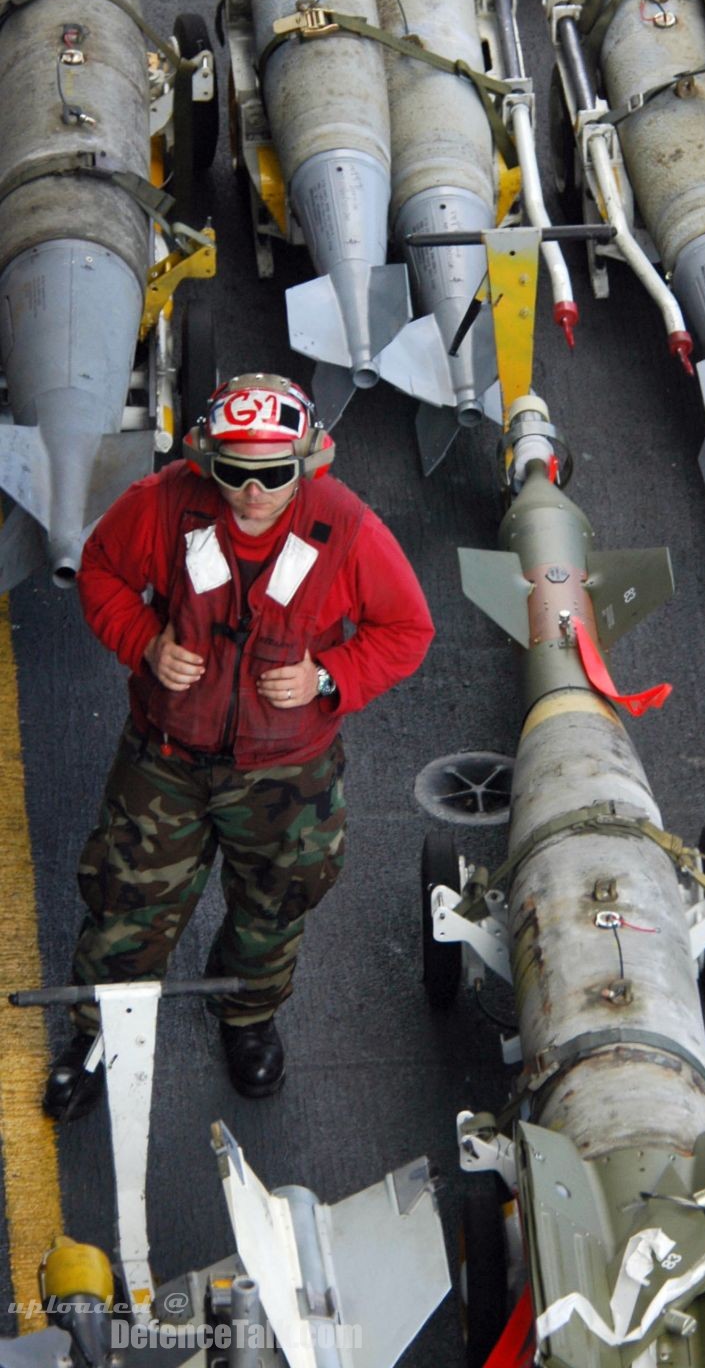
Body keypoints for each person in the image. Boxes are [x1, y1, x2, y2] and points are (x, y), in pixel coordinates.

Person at [44, 373, 434, 1119]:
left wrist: (329, 676)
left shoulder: (346, 529)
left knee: (277, 902)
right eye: (235, 474)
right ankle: (98, 1039)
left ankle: (249, 1019)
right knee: (127, 901)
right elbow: (103, 573)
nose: (253, 494)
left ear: (310, 464)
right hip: (167, 757)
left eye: (273, 476)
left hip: (287, 771)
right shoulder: (162, 505)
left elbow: (407, 630)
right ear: (206, 463)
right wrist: (146, 644)